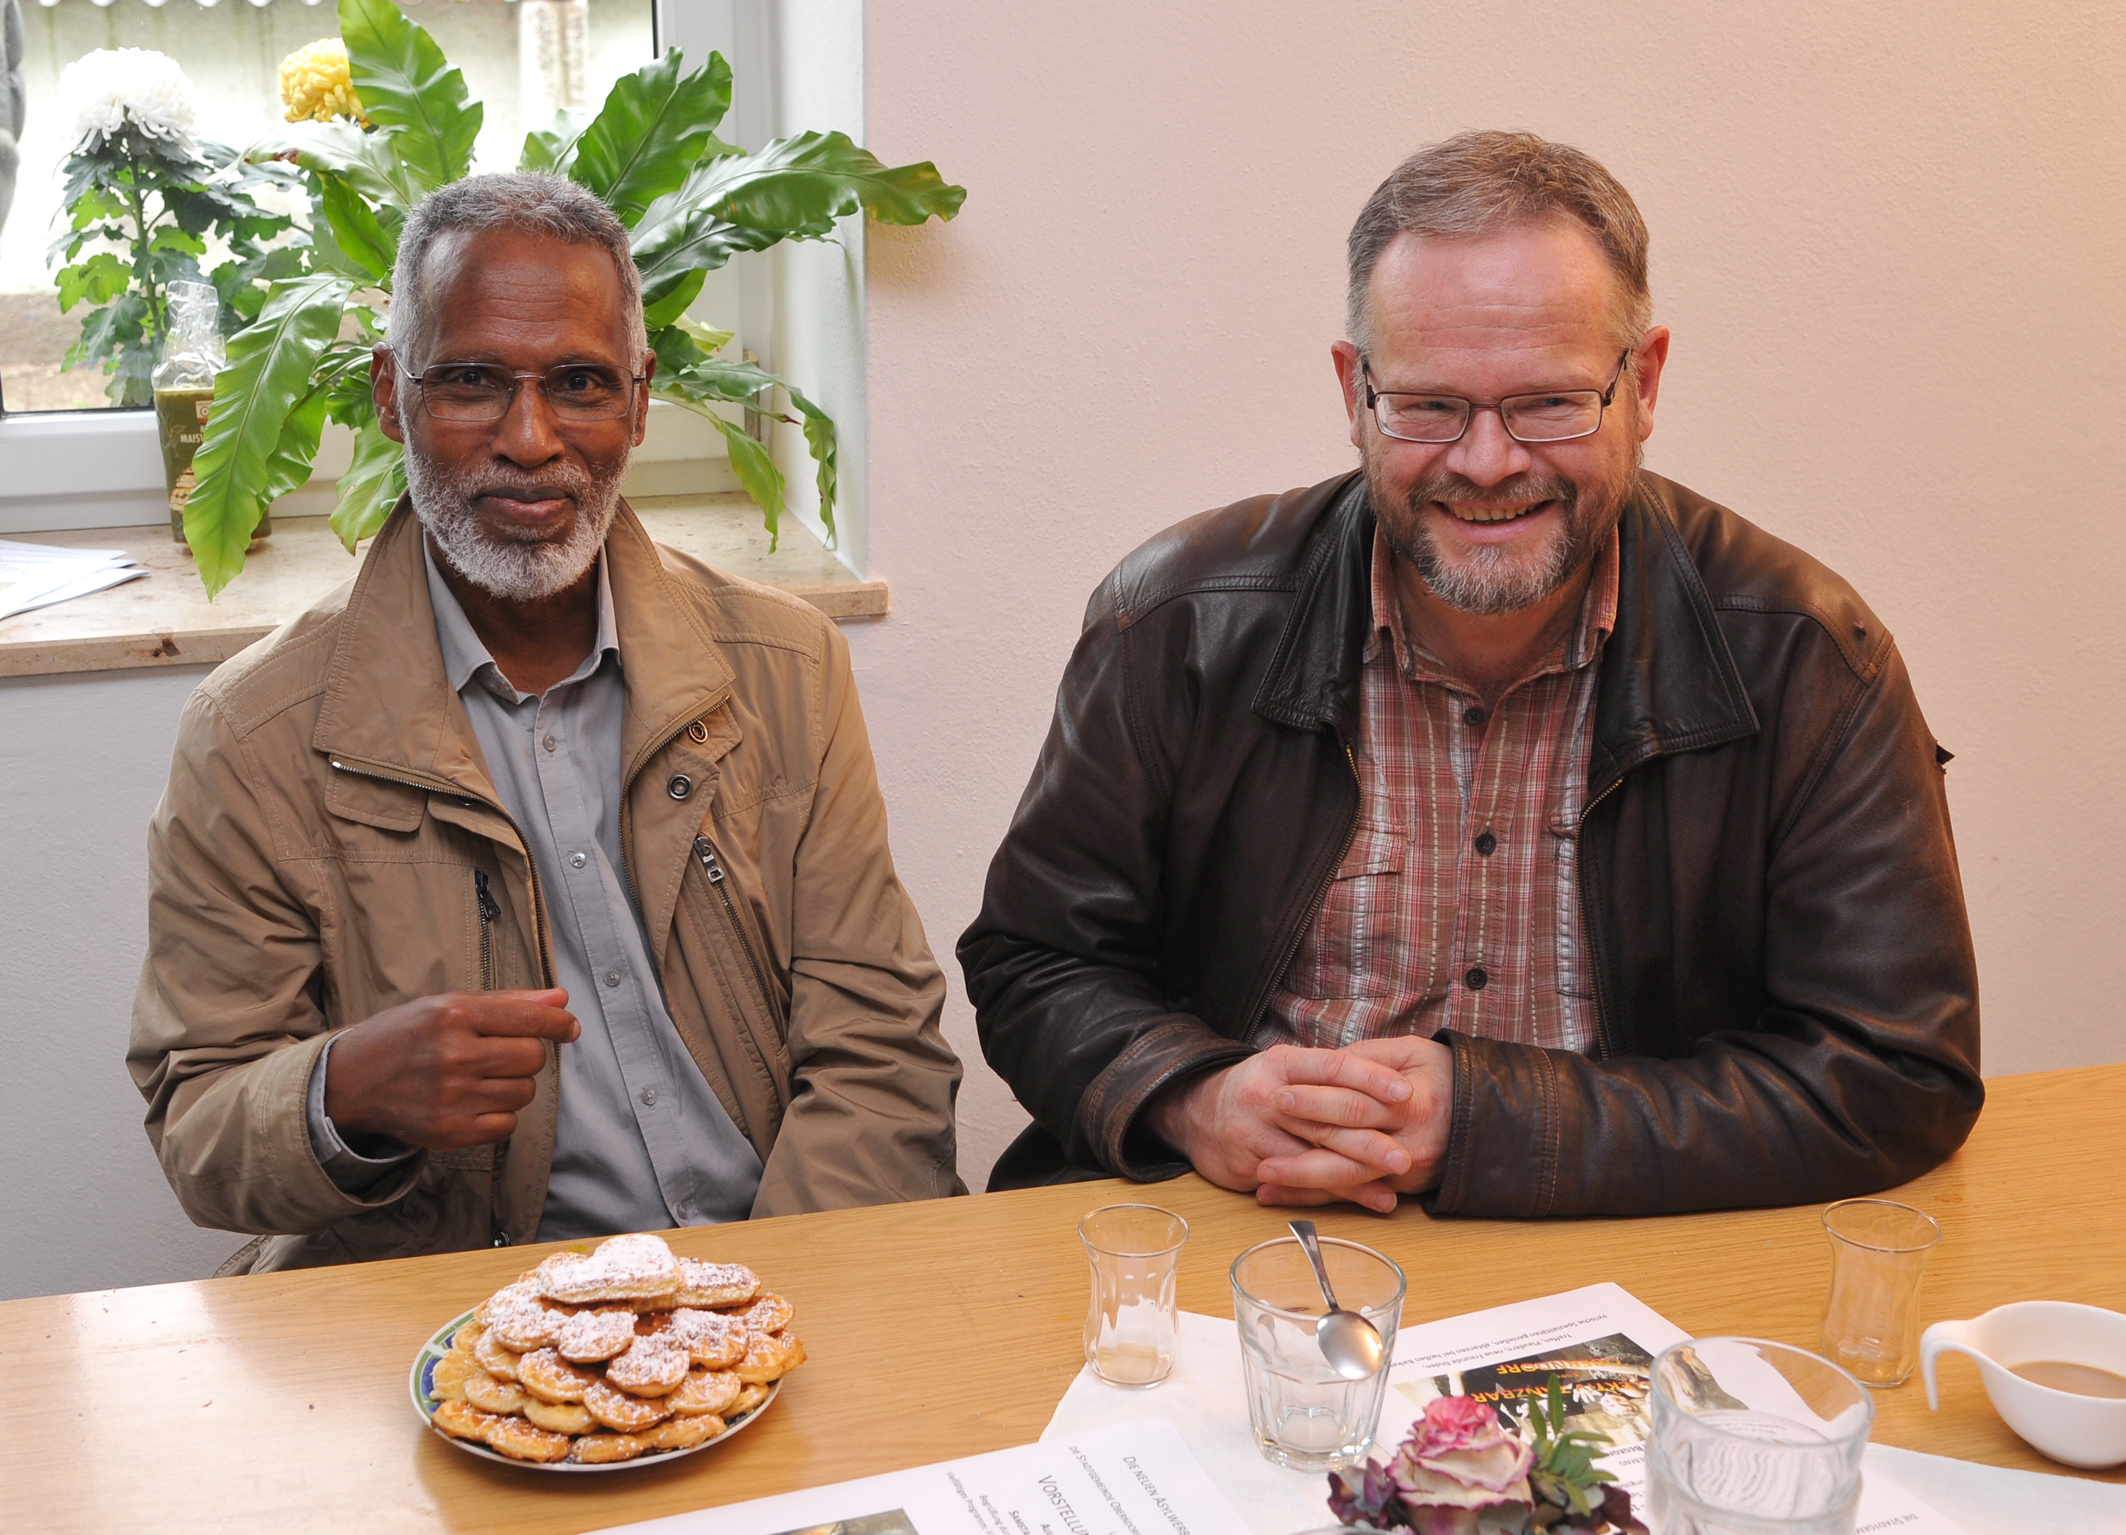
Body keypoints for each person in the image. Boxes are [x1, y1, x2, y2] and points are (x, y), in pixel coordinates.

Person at [960, 131, 1981, 1218]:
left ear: (1641, 384)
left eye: (1546, 403)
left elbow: (1892, 1070)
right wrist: (1191, 1094)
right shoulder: (1172, 620)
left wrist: (1494, 1122)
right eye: (1431, 405)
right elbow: (1034, 962)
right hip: (1240, 1230)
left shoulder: (1806, 653)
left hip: (1624, 1242)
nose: (1486, 462)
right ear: (1355, 390)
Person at [129, 173, 962, 1272]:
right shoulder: (253, 734)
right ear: (391, 395)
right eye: (470, 380)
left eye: (578, 383)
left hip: (782, 1266)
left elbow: (878, 1046)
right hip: (465, 1310)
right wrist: (342, 1095)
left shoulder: (784, 666)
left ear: (639, 397)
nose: (529, 439)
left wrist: (747, 1314)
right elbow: (201, 1126)